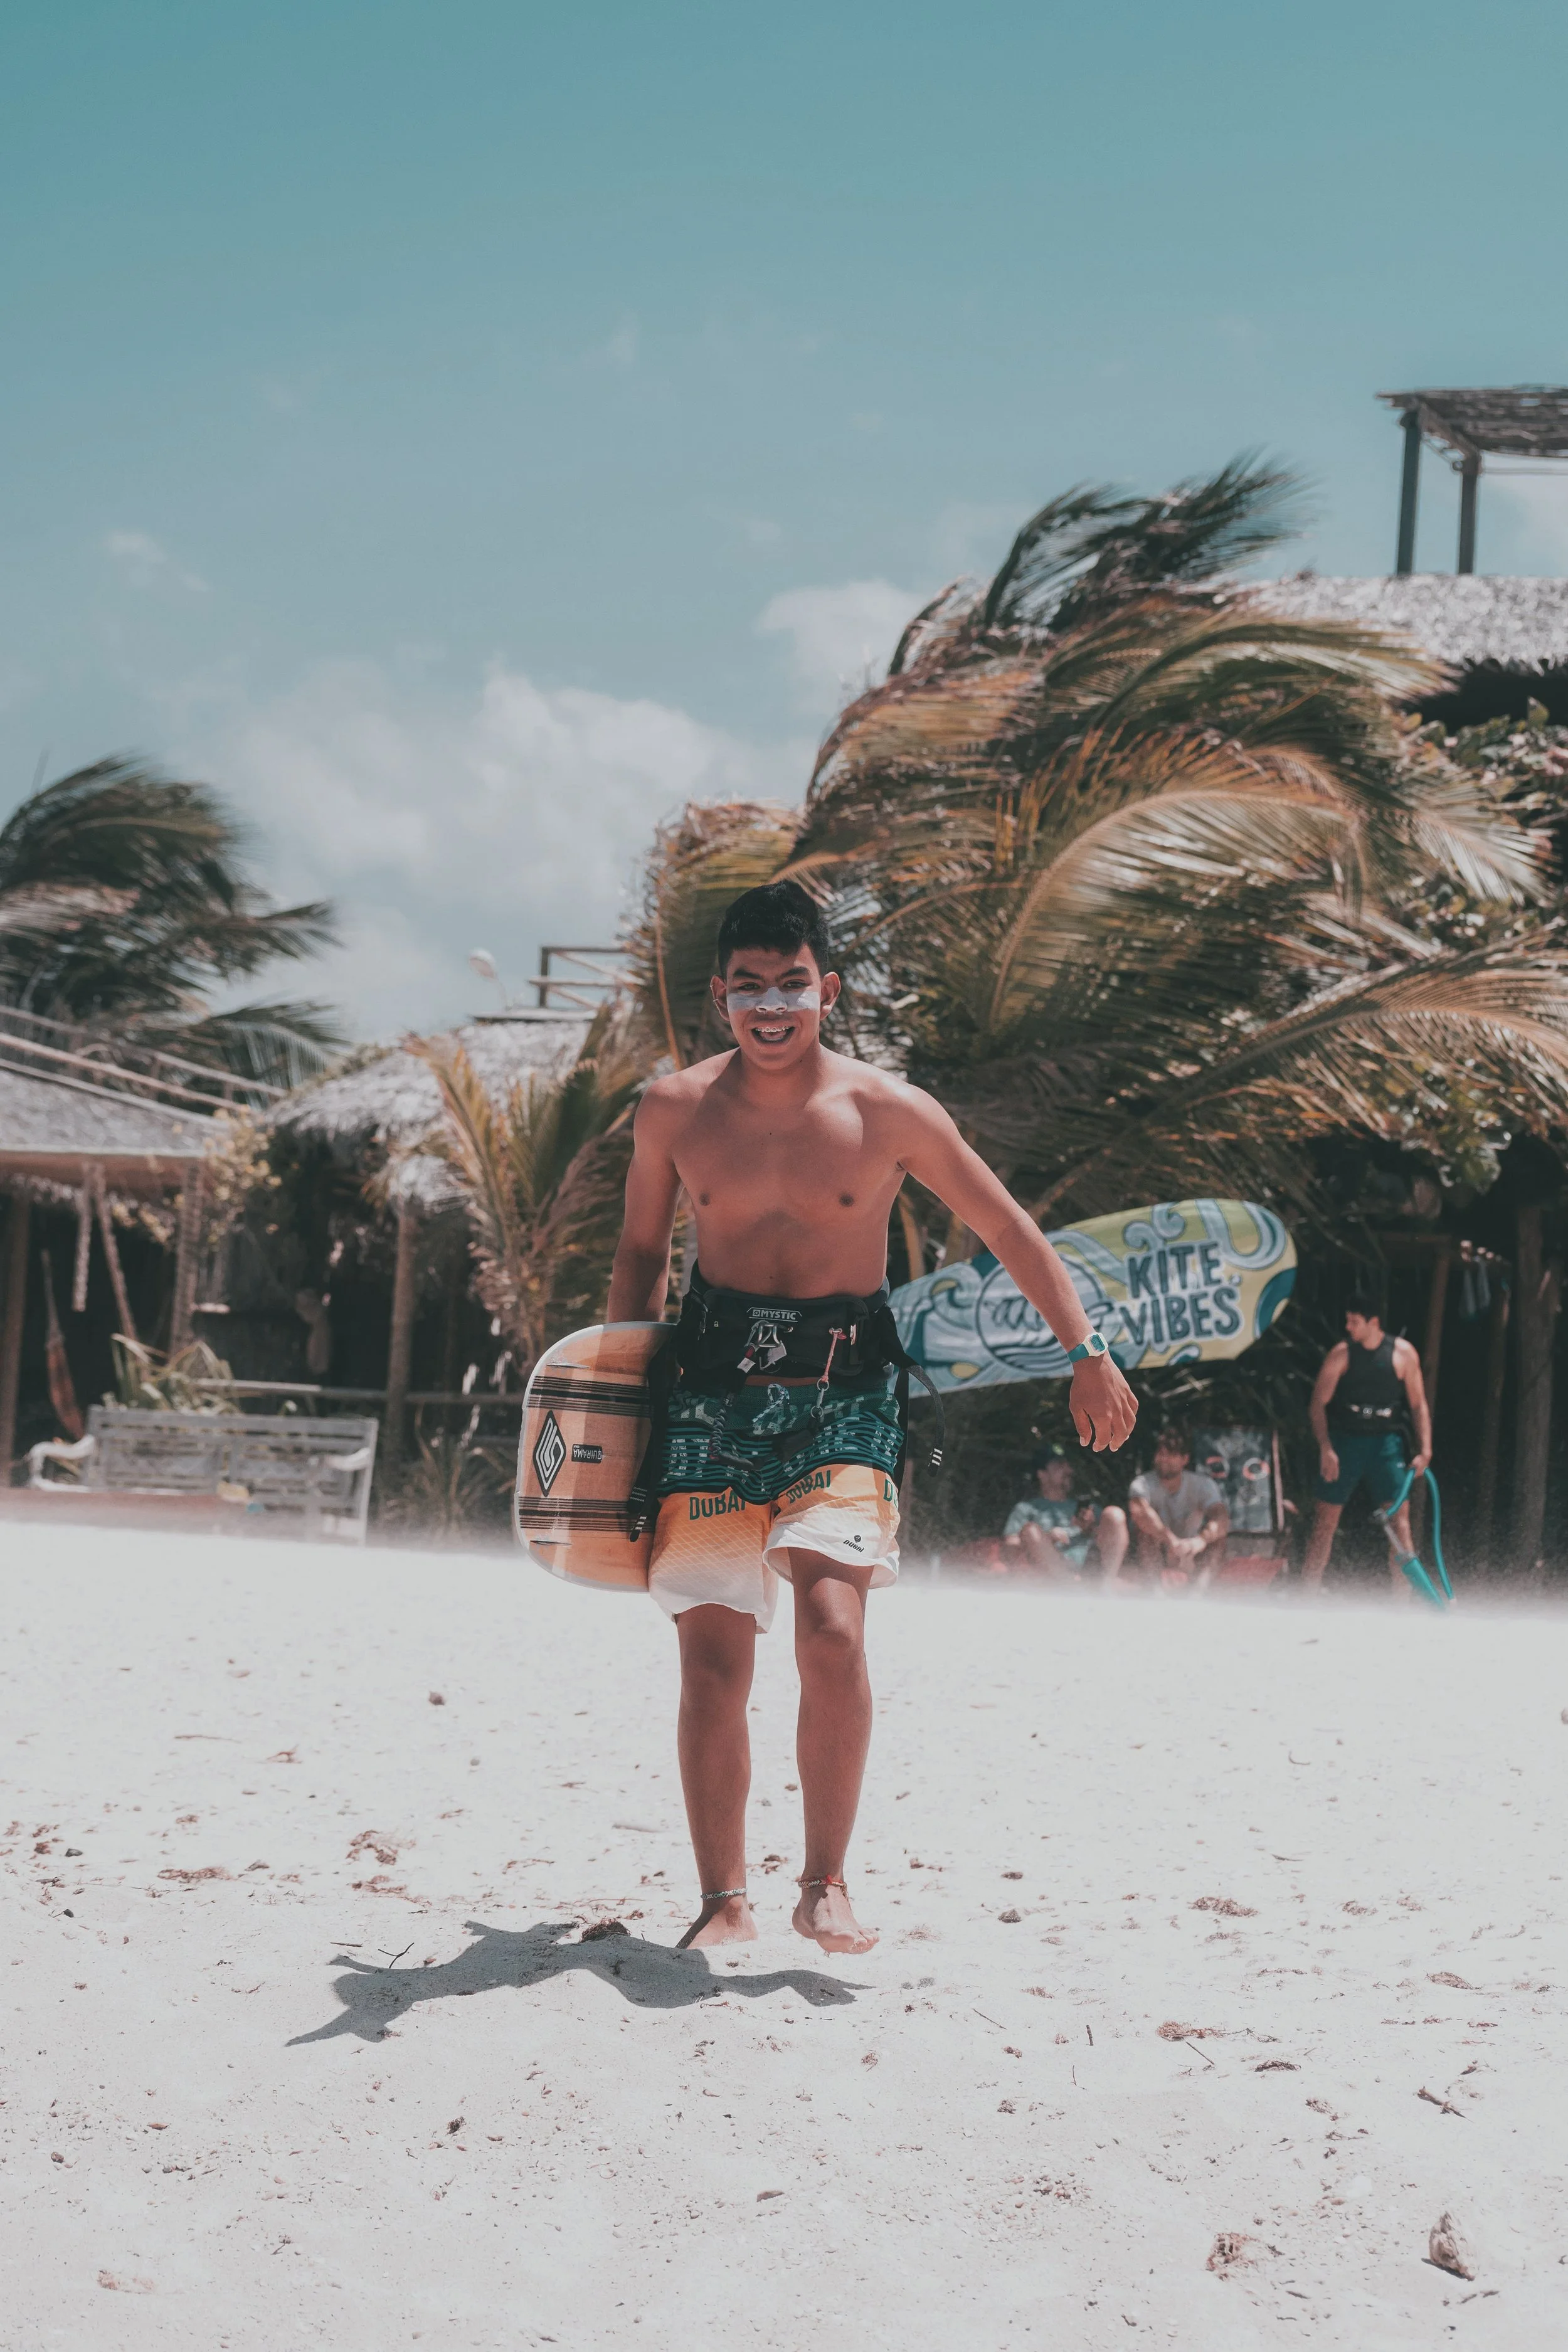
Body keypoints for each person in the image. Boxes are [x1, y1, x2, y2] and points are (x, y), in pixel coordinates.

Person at [607, 881, 1138, 1956]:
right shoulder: (673, 1110)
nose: (770, 1005)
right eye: (748, 986)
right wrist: (617, 1393)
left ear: (827, 990)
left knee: (834, 1631)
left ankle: (825, 1882)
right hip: (709, 1389)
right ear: (719, 996)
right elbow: (637, 1255)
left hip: (848, 1391)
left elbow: (1007, 1225)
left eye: (791, 984)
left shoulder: (888, 1113)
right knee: (712, 1658)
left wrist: (1086, 1352)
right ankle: (723, 1898)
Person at [1301, 1288, 1431, 1594]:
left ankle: (1403, 1603)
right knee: (1325, 1523)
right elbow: (1317, 1404)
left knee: (1400, 1526)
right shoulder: (1341, 1355)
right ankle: (1305, 1597)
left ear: (1374, 1322)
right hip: (1346, 1442)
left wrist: (1426, 1449)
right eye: (1348, 1321)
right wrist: (1326, 1448)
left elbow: (1417, 1404)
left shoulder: (1403, 1354)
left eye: (1354, 1322)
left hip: (1386, 1445)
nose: (1348, 1327)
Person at [1001, 1449, 1129, 1585]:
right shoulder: (1026, 1509)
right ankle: (1069, 1586)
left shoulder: (1087, 1509)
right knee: (1030, 1531)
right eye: (1059, 1466)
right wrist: (1047, 1538)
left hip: (1091, 1566)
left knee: (1114, 1514)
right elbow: (1011, 1546)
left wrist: (1090, 1530)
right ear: (1042, 1475)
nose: (1068, 1470)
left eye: (1068, 1465)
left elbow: (1113, 1540)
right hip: (1054, 1569)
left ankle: (1106, 1584)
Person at [1126, 1426, 1229, 1590]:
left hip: (1191, 1549)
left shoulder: (1203, 1484)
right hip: (1159, 1547)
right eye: (1161, 1454)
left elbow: (1221, 1518)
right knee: (1145, 1533)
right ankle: (1156, 1593)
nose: (1164, 1459)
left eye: (1171, 1455)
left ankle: (1198, 1595)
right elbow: (1140, 1514)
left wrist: (1201, 1541)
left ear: (1185, 1459)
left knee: (1218, 1540)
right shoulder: (1142, 1484)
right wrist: (1170, 1541)